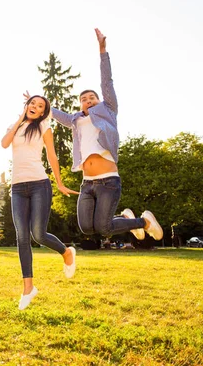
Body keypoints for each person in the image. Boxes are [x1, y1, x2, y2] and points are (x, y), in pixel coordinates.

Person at [49, 28, 163, 243]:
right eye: (84, 99)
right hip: (87, 183)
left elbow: (106, 81)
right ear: (80, 104)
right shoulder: (75, 120)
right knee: (87, 228)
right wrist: (38, 102)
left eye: (92, 97)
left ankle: (142, 221)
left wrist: (103, 51)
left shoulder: (108, 110)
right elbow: (54, 113)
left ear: (99, 100)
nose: (88, 100)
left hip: (109, 181)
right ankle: (126, 218)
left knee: (104, 227)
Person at [1, 93, 80, 310]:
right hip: (17, 187)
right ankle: (28, 288)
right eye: (33, 103)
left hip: (39, 184)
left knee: (38, 234)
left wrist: (60, 183)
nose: (35, 107)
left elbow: (52, 156)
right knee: (22, 237)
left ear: (44, 111)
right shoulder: (15, 126)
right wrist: (19, 119)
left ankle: (66, 252)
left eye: (40, 105)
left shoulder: (44, 126)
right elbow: (4, 143)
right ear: (26, 105)